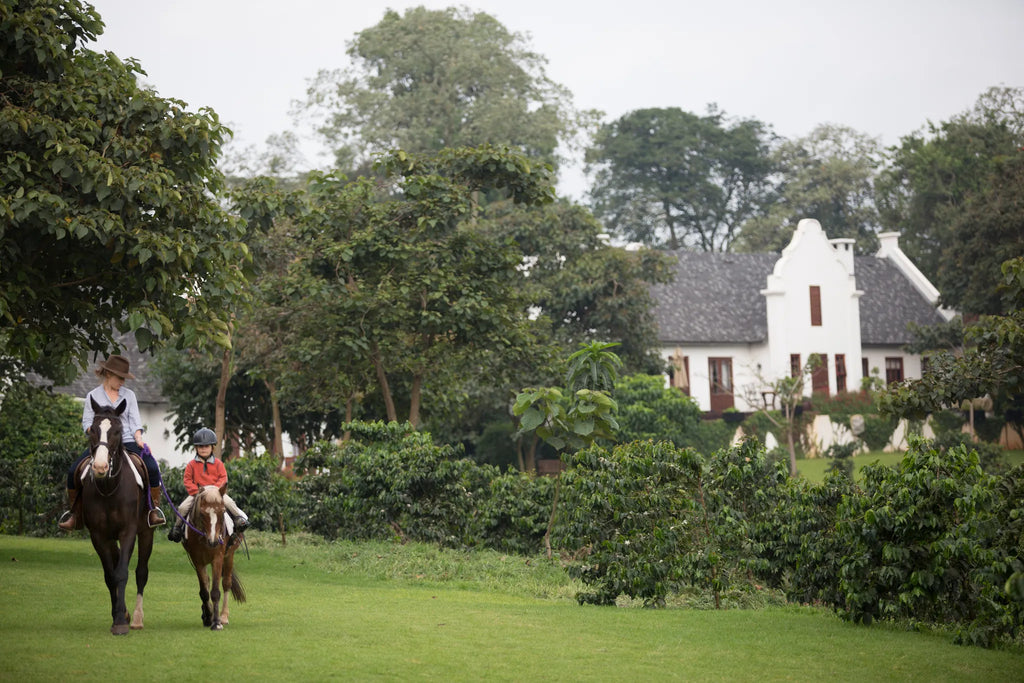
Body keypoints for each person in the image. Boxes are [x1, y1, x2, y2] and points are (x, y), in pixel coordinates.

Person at [58, 354, 167, 530]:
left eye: (124, 378)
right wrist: (98, 434)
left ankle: (152, 511)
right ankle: (75, 514)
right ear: (108, 374)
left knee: (153, 468)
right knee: (73, 472)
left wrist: (139, 438)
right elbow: (86, 422)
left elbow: (135, 422)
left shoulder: (129, 396)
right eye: (120, 377)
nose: (123, 382)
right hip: (100, 444)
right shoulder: (92, 396)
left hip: (127, 442)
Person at [167, 427, 250, 542]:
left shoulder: (218, 464)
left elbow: (223, 478)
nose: (203, 449)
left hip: (216, 493)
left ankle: (238, 520)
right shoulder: (191, 465)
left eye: (206, 446)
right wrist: (196, 492)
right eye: (200, 446)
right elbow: (187, 480)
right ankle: (177, 528)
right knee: (182, 507)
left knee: (229, 502)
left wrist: (216, 491)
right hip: (198, 494)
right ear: (196, 448)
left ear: (212, 447)